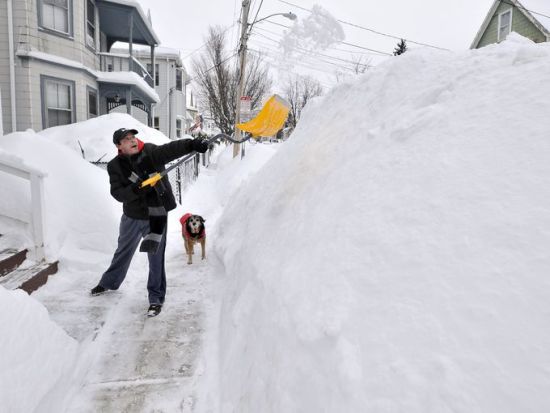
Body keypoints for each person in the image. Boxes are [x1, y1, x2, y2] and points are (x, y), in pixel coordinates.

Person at [90, 128, 209, 317]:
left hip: (156, 215)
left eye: (133, 137)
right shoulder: (115, 166)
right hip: (131, 216)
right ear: (119, 146)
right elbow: (118, 193)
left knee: (156, 258)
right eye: (127, 139)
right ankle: (109, 282)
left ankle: (156, 298)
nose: (132, 140)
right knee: (123, 251)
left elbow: (172, 149)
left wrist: (192, 144)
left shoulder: (151, 153)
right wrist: (136, 189)